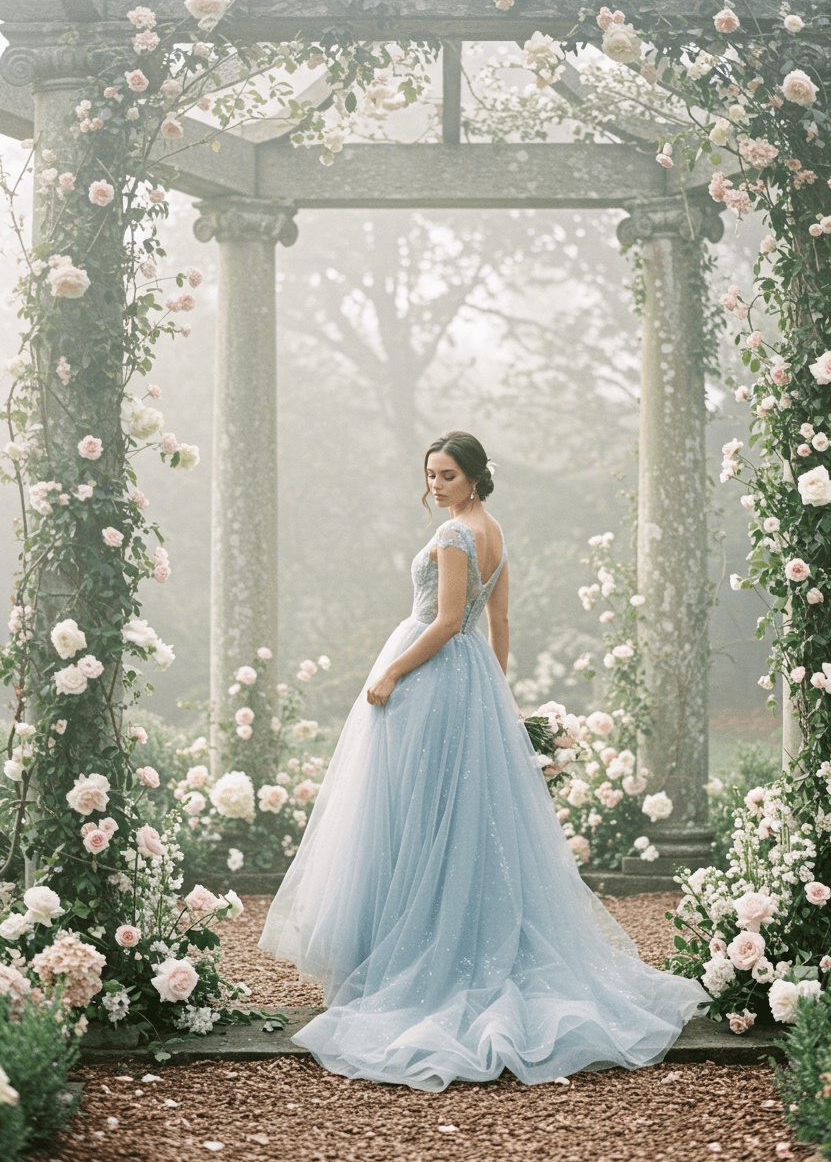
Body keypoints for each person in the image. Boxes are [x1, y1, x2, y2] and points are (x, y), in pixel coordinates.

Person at [258, 431, 708, 1092]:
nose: (435, 485)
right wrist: (493, 697)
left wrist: (388, 674)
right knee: (458, 818)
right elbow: (497, 624)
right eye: (431, 474)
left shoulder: (454, 537)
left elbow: (443, 622)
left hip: (431, 676)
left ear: (473, 477)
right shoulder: (492, 531)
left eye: (447, 475)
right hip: (468, 684)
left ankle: (406, 959)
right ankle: (424, 940)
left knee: (412, 814)